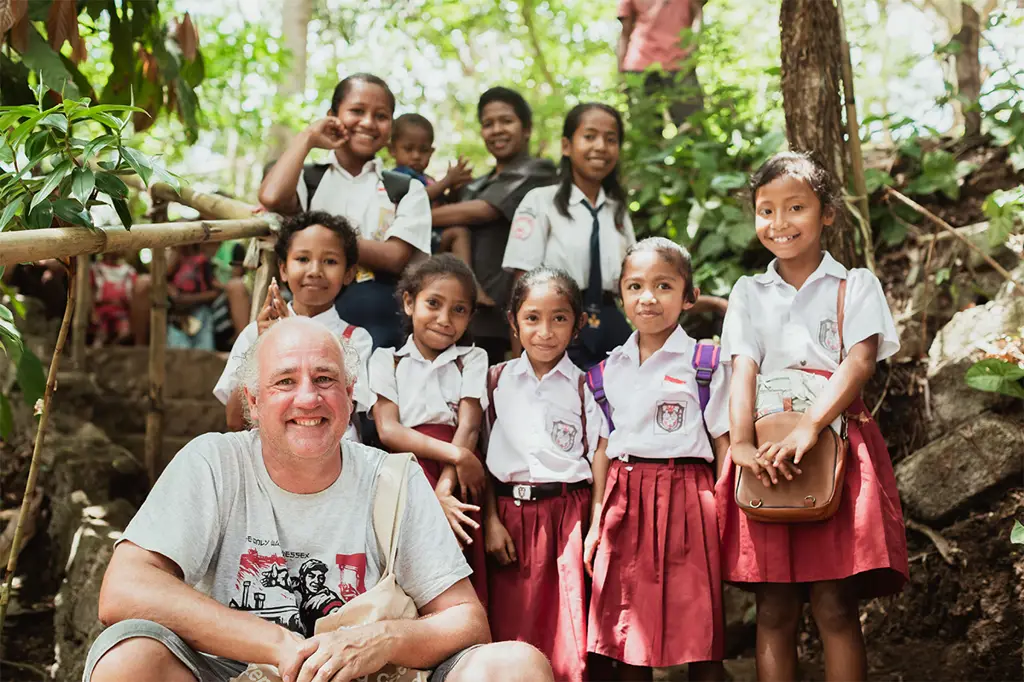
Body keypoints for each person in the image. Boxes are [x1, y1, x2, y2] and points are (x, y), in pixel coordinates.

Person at [83, 316, 555, 682]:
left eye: (325, 379)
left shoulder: (392, 477)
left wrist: (383, 640)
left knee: (516, 665)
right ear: (253, 401)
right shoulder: (213, 462)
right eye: (285, 382)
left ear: (351, 396)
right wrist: (278, 645)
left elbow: (468, 622)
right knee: (130, 656)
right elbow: (124, 589)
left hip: (368, 674)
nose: (308, 398)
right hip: (235, 672)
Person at [715, 152, 908, 682]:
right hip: (767, 457)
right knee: (774, 609)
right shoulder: (748, 292)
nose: (779, 223)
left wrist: (809, 426)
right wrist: (742, 446)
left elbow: (859, 362)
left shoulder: (855, 285)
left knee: (834, 605)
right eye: (766, 210)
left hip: (835, 449)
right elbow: (742, 373)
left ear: (827, 213)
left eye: (795, 207)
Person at [585, 238, 729, 681]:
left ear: (688, 297)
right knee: (629, 630)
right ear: (621, 296)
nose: (648, 297)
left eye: (663, 286)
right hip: (624, 502)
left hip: (689, 495)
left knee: (699, 624)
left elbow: (724, 441)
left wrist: (724, 511)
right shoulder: (608, 369)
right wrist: (595, 523)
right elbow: (604, 451)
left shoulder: (704, 362)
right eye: (635, 287)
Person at [484, 268, 605, 682]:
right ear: (513, 320)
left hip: (566, 517)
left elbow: (599, 455)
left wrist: (594, 524)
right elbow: (480, 455)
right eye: (532, 318)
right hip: (510, 519)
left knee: (566, 632)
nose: (545, 331)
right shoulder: (495, 381)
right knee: (510, 628)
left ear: (577, 325)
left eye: (559, 318)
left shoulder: (584, 385)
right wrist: (490, 520)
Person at [259, 73, 433, 350]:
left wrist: (323, 244)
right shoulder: (308, 179)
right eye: (356, 111)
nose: (368, 123)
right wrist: (308, 137)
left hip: (381, 330)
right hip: (308, 324)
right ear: (332, 115)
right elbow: (271, 196)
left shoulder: (405, 188)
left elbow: (395, 257)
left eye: (381, 116)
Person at [369, 254, 489, 605]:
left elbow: (468, 425)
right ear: (409, 302)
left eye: (459, 310)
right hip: (408, 472)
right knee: (410, 566)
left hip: (458, 480)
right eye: (433, 304)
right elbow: (388, 430)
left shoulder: (472, 359)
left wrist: (445, 487)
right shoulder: (387, 359)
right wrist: (456, 457)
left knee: (460, 567)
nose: (444, 319)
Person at [213, 212, 374, 438]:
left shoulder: (355, 339)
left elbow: (344, 411)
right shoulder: (255, 334)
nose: (315, 271)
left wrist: (295, 336)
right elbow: (234, 420)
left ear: (349, 273)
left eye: (330, 261)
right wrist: (263, 345)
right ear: (283, 269)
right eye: (302, 259)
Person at [502, 103, 636, 369]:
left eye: (611, 139)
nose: (600, 146)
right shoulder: (540, 202)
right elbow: (521, 286)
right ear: (566, 145)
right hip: (557, 324)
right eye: (589, 136)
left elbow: (634, 279)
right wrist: (521, 366)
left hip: (612, 326)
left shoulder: (618, 211)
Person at [431, 87, 557, 365]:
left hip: (506, 317)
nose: (497, 130)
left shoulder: (538, 171)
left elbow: (484, 211)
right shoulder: (476, 184)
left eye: (506, 121)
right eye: (488, 124)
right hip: (460, 316)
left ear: (526, 129)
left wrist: (414, 216)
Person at [389, 113, 476, 265]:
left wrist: (455, 189)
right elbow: (417, 198)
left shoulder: (429, 180)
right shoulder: (398, 176)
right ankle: (467, 280)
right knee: (459, 232)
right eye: (408, 149)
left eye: (423, 150)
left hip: (432, 234)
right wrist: (447, 181)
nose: (416, 156)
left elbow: (445, 204)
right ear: (392, 150)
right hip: (413, 238)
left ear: (431, 152)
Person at [618, 0, 706, 128]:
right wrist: (621, 74)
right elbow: (625, 32)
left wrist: (692, 47)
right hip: (640, 66)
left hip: (680, 65)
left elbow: (698, 13)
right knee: (646, 133)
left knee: (692, 127)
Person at [90, 252, 137, 347]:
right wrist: (92, 312)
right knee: (101, 335)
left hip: (123, 313)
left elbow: (134, 298)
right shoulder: (95, 269)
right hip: (101, 313)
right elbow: (89, 293)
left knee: (124, 333)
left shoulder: (129, 271)